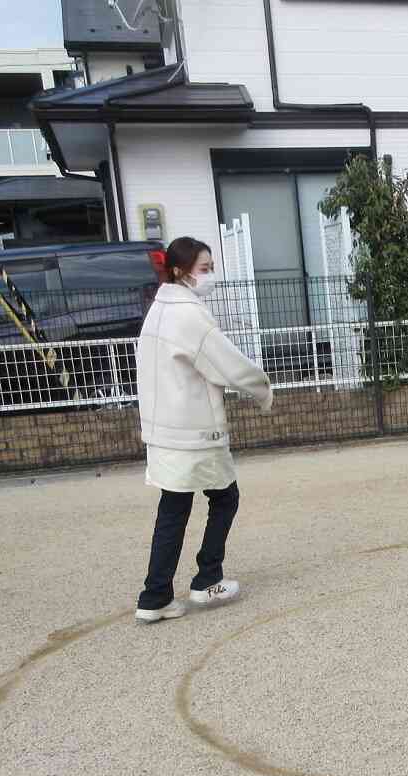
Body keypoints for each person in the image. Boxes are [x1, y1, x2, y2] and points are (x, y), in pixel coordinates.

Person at [134, 236, 273, 623]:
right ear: (181, 271)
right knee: (225, 498)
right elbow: (227, 363)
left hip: (163, 432)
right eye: (204, 269)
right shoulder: (190, 315)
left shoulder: (157, 311)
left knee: (173, 509)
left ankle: (155, 595)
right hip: (196, 431)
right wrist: (263, 389)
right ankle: (207, 578)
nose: (211, 275)